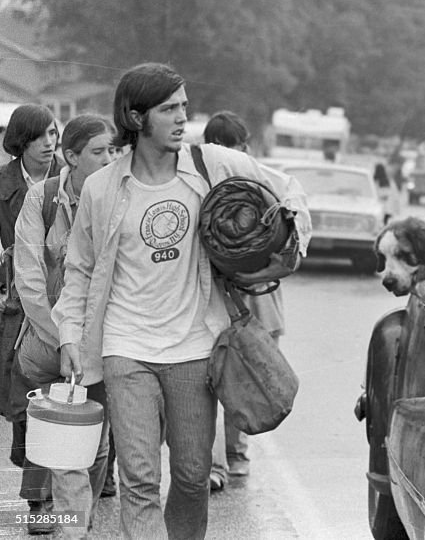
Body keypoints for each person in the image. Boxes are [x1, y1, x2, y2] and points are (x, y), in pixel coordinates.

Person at [52, 63, 311, 539]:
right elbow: (80, 270)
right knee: (139, 480)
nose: (181, 119)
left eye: (184, 107)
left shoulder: (212, 165)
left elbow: (288, 192)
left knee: (192, 477)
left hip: (196, 347)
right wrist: (70, 334)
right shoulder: (102, 188)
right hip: (125, 348)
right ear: (135, 117)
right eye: (169, 109)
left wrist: (281, 242)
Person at [14, 113, 117, 538]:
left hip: (103, 339)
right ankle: (48, 512)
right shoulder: (42, 198)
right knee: (47, 426)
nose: (109, 159)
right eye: (98, 152)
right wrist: (63, 338)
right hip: (48, 336)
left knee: (95, 437)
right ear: (70, 157)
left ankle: (77, 520)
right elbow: (29, 276)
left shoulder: (117, 198)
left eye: (112, 150)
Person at [202, 110, 286, 489]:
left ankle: (228, 458)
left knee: (229, 379)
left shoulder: (246, 185)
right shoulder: (258, 185)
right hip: (249, 303)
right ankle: (230, 458)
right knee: (238, 379)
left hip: (249, 302)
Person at [0, 103, 60, 534]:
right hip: (16, 305)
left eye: (54, 134)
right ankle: (39, 486)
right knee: (25, 401)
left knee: (78, 396)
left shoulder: (74, 182)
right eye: (39, 136)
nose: (48, 143)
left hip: (66, 301)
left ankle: (56, 496)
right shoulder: (2, 185)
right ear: (21, 140)